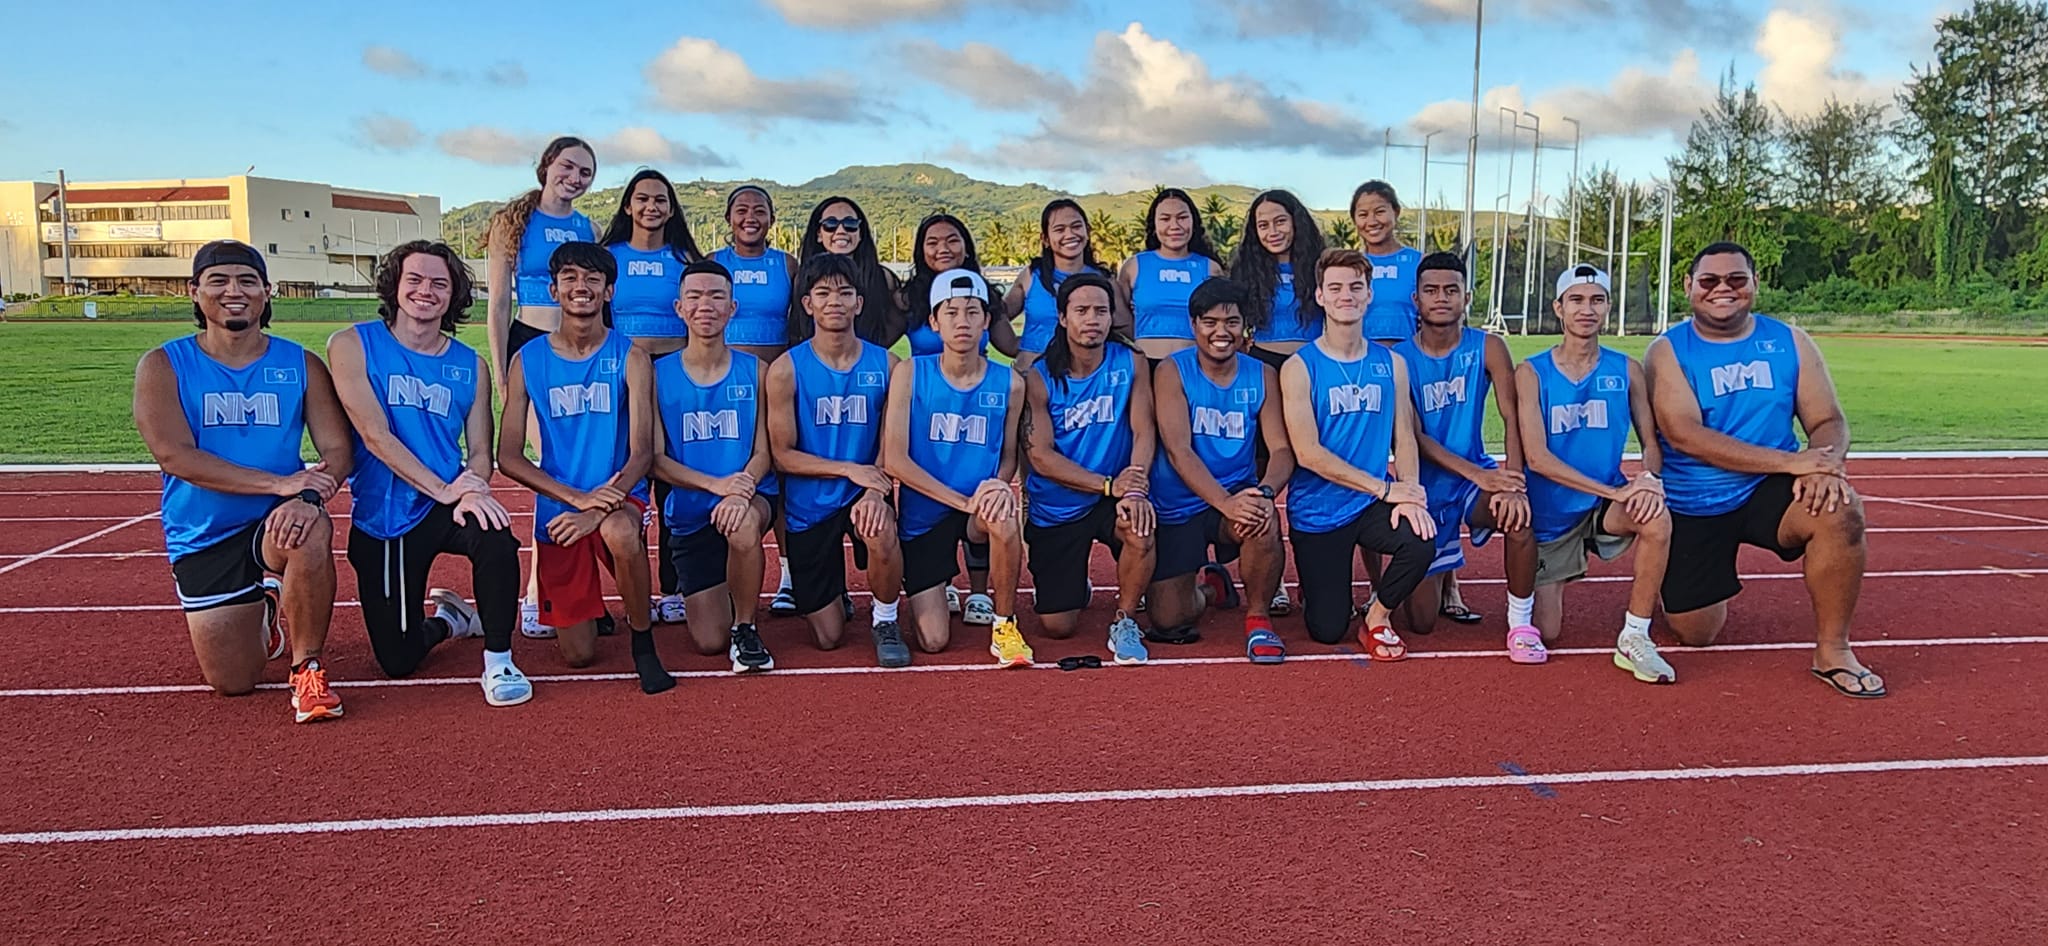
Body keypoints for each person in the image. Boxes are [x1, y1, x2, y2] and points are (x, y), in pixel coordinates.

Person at [1647, 242, 1883, 699]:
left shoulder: (1791, 341)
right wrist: (1793, 462)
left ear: (1755, 283)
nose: (1723, 288)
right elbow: (1684, 435)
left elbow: (1827, 419)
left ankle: (1834, 650)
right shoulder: (1667, 351)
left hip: (1769, 489)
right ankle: (1676, 587)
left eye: (1736, 279)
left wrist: (1824, 464)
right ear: (1689, 286)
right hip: (1696, 500)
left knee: (1841, 510)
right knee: (1697, 633)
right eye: (1709, 280)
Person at [132, 240, 352, 722]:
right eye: (219, 281)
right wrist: (277, 484)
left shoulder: (300, 364)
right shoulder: (163, 365)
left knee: (309, 528)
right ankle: (267, 609)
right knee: (233, 683)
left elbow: (338, 451)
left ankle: (307, 669)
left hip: (275, 523)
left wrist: (308, 496)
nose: (235, 291)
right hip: (203, 533)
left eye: (248, 281)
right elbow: (175, 456)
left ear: (267, 292)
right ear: (194, 292)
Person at [326, 241, 529, 705]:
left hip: (448, 502)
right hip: (386, 514)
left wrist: (472, 489)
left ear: (453, 294)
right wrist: (446, 490)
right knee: (398, 660)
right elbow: (374, 435)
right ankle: (450, 621)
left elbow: (481, 452)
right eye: (414, 280)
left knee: (496, 535)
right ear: (394, 286)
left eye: (440, 283)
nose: (426, 291)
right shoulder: (352, 344)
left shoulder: (471, 366)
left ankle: (499, 660)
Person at [495, 241, 675, 695]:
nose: (582, 287)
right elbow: (509, 456)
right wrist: (576, 500)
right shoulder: (527, 360)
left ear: (609, 291)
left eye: (593, 279)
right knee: (578, 655)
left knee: (620, 533)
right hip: (561, 506)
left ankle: (643, 642)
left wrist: (596, 509)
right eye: (570, 278)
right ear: (553, 290)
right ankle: (593, 612)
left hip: (619, 497)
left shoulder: (630, 356)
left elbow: (642, 453)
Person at [1516, 264, 1676, 683]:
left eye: (1596, 300)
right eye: (1576, 300)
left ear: (1607, 307)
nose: (1586, 309)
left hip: (1605, 504)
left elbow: (1651, 444)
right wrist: (1616, 491)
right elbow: (1537, 459)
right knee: (1548, 631)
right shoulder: (1531, 372)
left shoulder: (1627, 370)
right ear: (1558, 308)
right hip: (1552, 515)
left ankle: (1635, 635)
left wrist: (1649, 481)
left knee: (1656, 517)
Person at [1280, 249, 1434, 657]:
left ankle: (1377, 617)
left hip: (1368, 504)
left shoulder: (1392, 364)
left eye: (1355, 287)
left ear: (1369, 295)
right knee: (1327, 629)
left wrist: (1410, 494)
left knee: (1420, 539)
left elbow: (1404, 438)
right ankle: (1317, 589)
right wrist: (1385, 489)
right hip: (1319, 510)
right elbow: (1308, 453)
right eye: (1335, 288)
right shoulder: (1300, 367)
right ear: (1320, 296)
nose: (1345, 295)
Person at [1392, 253, 1541, 661]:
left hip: (1473, 482)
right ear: (1416, 299)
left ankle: (1521, 624)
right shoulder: (1398, 359)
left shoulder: (1488, 346)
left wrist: (1513, 482)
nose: (1441, 298)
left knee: (1519, 516)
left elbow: (1512, 417)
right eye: (1431, 291)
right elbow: (1416, 437)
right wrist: (1480, 475)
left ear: (1467, 297)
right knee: (1421, 623)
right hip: (1424, 488)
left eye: (1451, 290)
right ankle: (1442, 565)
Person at [765, 253, 909, 667]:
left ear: (859, 304)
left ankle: (885, 619)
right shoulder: (786, 369)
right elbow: (782, 455)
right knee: (827, 638)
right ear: (807, 304)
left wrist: (874, 491)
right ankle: (833, 594)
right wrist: (848, 468)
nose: (835, 301)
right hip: (810, 503)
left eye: (845, 293)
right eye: (823, 293)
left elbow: (890, 442)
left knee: (880, 528)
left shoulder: (888, 365)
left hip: (865, 493)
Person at [882, 268, 1032, 666]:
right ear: (934, 322)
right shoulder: (910, 373)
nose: (962, 321)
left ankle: (1005, 624)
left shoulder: (1010, 383)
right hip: (925, 514)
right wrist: (961, 501)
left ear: (986, 321)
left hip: (976, 509)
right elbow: (894, 459)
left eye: (972, 311)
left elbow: (1008, 456)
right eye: (950, 312)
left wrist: (997, 486)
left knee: (1004, 515)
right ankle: (932, 587)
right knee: (933, 640)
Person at [484, 136, 598, 637]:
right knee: (546, 466)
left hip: (579, 351)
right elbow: (498, 304)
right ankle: (536, 590)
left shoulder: (588, 227)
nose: (575, 178)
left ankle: (574, 588)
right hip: (530, 345)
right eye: (568, 167)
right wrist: (502, 371)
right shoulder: (512, 223)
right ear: (547, 165)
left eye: (586, 173)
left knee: (576, 461)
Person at [1146, 277, 1294, 662]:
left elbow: (1281, 449)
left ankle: (1258, 618)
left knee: (1263, 517)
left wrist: (1264, 492)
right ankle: (1213, 590)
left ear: (1244, 326)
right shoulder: (1171, 371)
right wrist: (1226, 503)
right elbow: (1178, 450)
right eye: (1210, 322)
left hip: (1235, 495)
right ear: (1194, 324)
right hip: (1179, 503)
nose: (1221, 332)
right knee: (1168, 618)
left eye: (1231, 322)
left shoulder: (1262, 374)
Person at [1021, 273, 1156, 664]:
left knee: (1140, 526)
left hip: (1115, 495)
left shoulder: (1131, 362)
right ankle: (1073, 582)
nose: (1092, 319)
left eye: (1101, 310)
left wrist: (1134, 488)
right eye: (1081, 311)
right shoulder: (1039, 376)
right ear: (1063, 318)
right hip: (1061, 504)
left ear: (1112, 316)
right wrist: (1108, 485)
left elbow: (1144, 430)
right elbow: (1041, 456)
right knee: (1057, 626)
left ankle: (1125, 620)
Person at [651, 259, 775, 674]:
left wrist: (740, 490)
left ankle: (746, 627)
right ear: (679, 307)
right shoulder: (656, 375)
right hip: (692, 512)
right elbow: (656, 460)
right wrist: (716, 486)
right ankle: (726, 594)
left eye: (717, 296)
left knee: (742, 525)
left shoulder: (756, 371)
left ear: (733, 307)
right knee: (708, 641)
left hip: (747, 498)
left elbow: (764, 452)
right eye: (695, 296)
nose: (705, 305)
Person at [600, 169, 704, 626]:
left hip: (673, 375)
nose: (651, 207)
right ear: (628, 205)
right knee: (627, 474)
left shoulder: (685, 258)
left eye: (661, 199)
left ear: (671, 207)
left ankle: (675, 585)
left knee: (673, 476)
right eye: (642, 198)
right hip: (622, 377)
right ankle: (633, 590)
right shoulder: (609, 256)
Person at [708, 185, 800, 614]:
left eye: (759, 210)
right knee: (726, 469)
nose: (750, 217)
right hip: (725, 387)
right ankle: (716, 572)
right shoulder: (714, 262)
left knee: (781, 476)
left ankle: (788, 575)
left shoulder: (786, 264)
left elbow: (801, 323)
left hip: (776, 386)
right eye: (741, 210)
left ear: (772, 219)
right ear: (729, 218)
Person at [1006, 199, 1119, 370]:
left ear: (1088, 231)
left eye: (1076, 226)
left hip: (1088, 378)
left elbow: (1125, 326)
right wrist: (1018, 346)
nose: (1070, 234)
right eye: (1059, 229)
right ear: (1045, 239)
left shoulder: (1104, 279)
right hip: (1031, 374)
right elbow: (996, 316)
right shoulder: (1031, 275)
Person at [1119, 188, 1223, 362]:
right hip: (1145, 364)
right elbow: (1119, 319)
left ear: (1194, 222)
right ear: (1154, 225)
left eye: (1182, 218)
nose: (1174, 226)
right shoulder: (1133, 266)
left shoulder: (1211, 269)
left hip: (1195, 366)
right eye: (1165, 219)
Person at [791, 195, 906, 349]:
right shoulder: (802, 278)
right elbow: (796, 327)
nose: (840, 231)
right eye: (830, 224)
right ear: (818, 234)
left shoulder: (882, 278)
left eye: (850, 224)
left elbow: (898, 322)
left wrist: (870, 351)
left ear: (860, 233)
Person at [901, 212, 1020, 359]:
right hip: (923, 374)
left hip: (976, 374)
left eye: (952, 241)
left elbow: (1011, 346)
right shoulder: (907, 298)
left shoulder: (984, 294)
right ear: (922, 252)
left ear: (966, 248)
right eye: (932, 243)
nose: (943, 249)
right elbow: (879, 346)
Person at [1232, 189, 1327, 369]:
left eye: (1280, 221)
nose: (1273, 232)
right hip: (1262, 362)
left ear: (1296, 222)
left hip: (1312, 362)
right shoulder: (1245, 270)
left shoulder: (1321, 265)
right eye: (1263, 225)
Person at [1352, 181, 1423, 345]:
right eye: (1363, 215)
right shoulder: (1349, 266)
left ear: (1396, 212)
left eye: (1380, 212)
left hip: (1409, 357)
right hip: (1360, 356)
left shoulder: (1419, 262)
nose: (1372, 221)